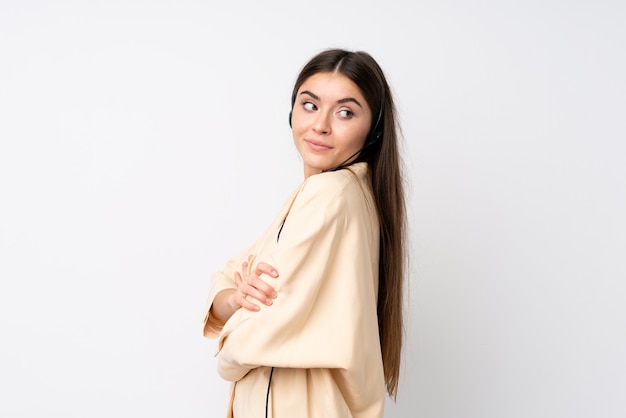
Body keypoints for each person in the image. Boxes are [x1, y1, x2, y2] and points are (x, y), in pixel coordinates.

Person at [202, 48, 407, 418]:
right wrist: (236, 299)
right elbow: (227, 278)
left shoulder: (331, 195)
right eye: (310, 105)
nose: (320, 125)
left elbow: (259, 332)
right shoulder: (334, 195)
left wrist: (226, 355)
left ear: (374, 129)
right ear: (292, 110)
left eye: (345, 112)